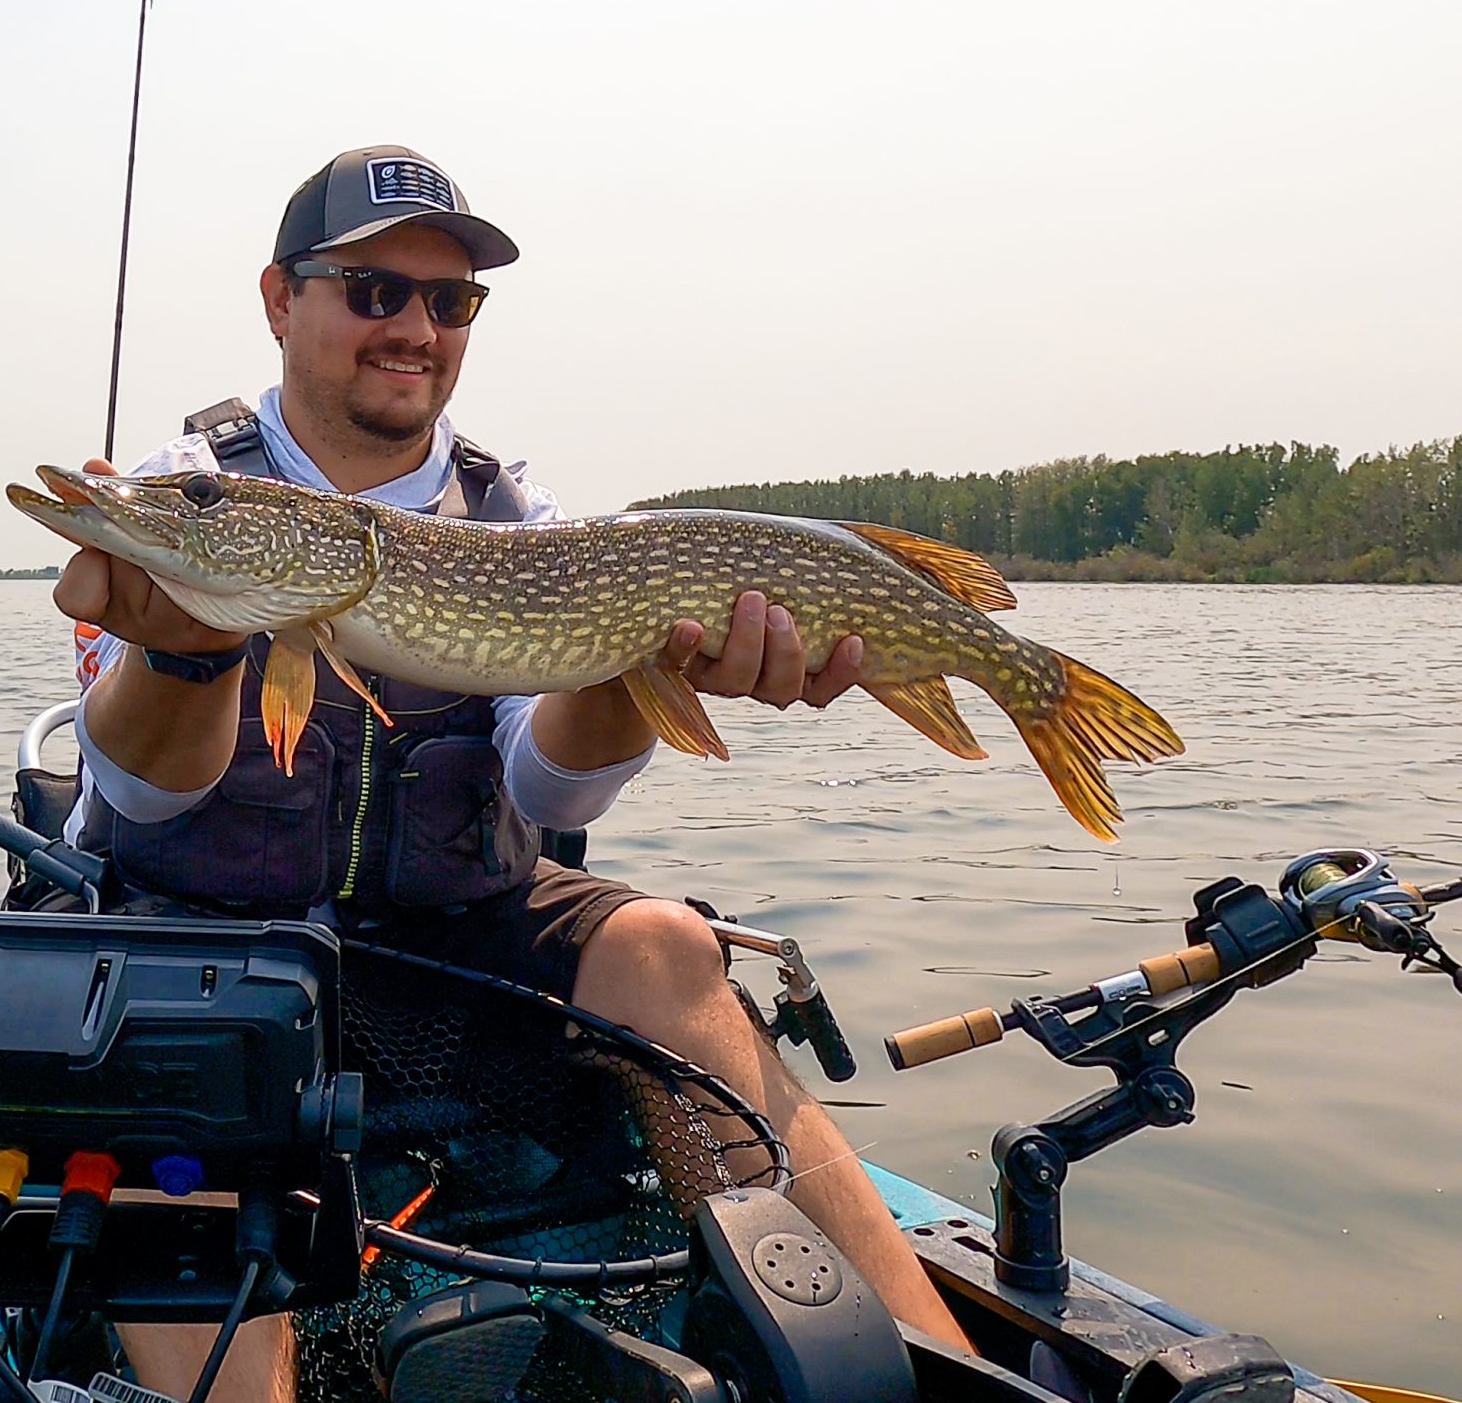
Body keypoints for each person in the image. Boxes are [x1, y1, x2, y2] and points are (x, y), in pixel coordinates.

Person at [51, 146, 971, 1399]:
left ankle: (934, 1370)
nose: (414, 328)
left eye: (450, 301)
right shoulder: (186, 500)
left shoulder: (522, 523)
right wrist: (190, 655)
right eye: (372, 290)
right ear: (280, 300)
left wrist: (622, 661)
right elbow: (142, 797)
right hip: (202, 933)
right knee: (179, 1062)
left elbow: (547, 797)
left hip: (458, 924)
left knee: (670, 951)